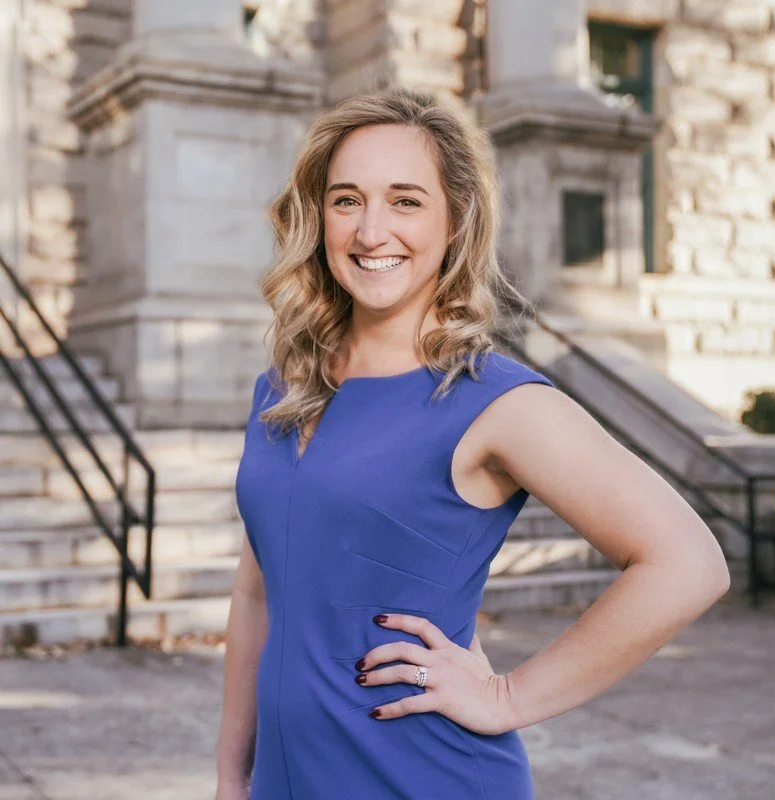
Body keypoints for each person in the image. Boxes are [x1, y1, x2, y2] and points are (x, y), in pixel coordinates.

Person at [215, 87, 730, 800]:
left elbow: (688, 564)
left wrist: (507, 696)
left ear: (455, 221)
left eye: (405, 201)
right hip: (286, 781)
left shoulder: (493, 400)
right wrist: (231, 774)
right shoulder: (281, 390)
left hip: (427, 776)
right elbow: (256, 594)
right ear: (317, 216)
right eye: (346, 200)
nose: (370, 231)